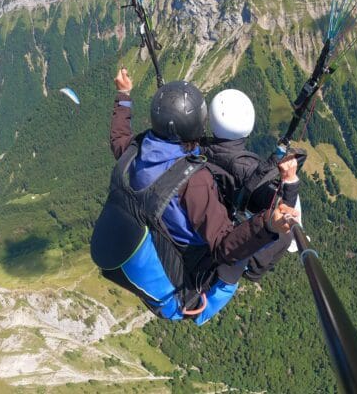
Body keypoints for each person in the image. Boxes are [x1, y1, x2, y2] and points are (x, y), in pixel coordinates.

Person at [91, 70, 298, 325]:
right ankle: (255, 267)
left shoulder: (136, 151)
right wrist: (267, 225)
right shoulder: (194, 182)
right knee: (279, 235)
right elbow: (225, 247)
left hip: (154, 238)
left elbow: (119, 139)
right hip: (193, 282)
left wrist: (123, 95)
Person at [202, 88, 305, 282]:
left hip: (213, 216)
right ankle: (251, 266)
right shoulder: (246, 167)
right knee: (287, 236)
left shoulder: (200, 148)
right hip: (231, 240)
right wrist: (290, 181)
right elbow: (283, 214)